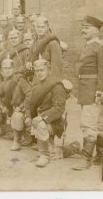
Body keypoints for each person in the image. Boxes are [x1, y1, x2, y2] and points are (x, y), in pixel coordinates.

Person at [72, 15, 103, 170]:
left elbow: (102, 70)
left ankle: (86, 159)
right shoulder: (88, 46)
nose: (83, 30)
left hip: (93, 91)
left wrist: (99, 91)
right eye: (82, 27)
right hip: (87, 88)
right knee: (99, 123)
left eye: (87, 27)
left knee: (88, 123)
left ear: (97, 31)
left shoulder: (99, 47)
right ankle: (100, 155)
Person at [25, 55, 67, 168]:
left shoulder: (57, 85)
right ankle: (53, 151)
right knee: (56, 152)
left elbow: (59, 109)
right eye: (37, 71)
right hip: (41, 120)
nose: (39, 73)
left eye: (42, 70)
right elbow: (28, 103)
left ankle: (44, 156)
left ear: (48, 70)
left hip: (54, 121)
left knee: (40, 124)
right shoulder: (36, 86)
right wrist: (28, 116)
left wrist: (42, 117)